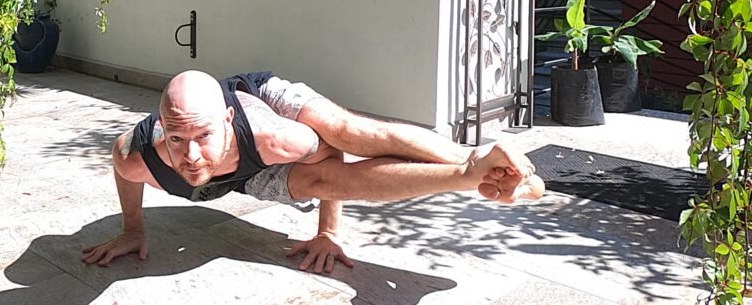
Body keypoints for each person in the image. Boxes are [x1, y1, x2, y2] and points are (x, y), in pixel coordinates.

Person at [82, 70, 544, 273]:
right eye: (178, 139)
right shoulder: (137, 154)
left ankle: (473, 164)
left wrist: (329, 230)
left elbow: (332, 159)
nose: (191, 156)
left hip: (263, 105)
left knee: (343, 135)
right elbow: (125, 172)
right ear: (162, 128)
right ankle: (479, 173)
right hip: (240, 165)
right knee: (321, 172)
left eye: (202, 137)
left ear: (224, 122)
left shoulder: (276, 137)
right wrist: (132, 229)